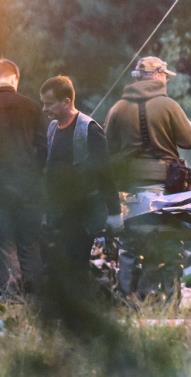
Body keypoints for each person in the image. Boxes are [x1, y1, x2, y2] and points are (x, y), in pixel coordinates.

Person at [40, 75, 123, 272]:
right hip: (59, 212)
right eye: (43, 104)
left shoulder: (90, 129)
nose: (44, 109)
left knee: (77, 265)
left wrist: (115, 212)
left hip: (84, 213)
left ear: (67, 101)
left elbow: (105, 173)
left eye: (49, 104)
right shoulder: (52, 128)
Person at [104, 56, 191, 192]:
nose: (167, 80)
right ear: (158, 75)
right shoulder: (169, 105)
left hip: (127, 184)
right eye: (166, 76)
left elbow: (106, 148)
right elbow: (189, 141)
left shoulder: (118, 108)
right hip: (166, 183)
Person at [0, 58, 45, 295]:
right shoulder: (32, 107)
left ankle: (10, 302)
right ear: (15, 78)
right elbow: (44, 149)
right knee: (30, 245)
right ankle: (35, 302)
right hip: (28, 189)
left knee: (4, 246)